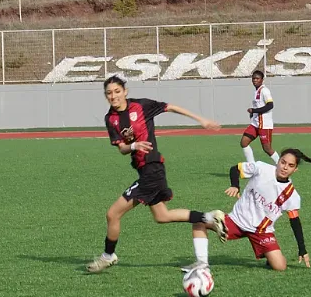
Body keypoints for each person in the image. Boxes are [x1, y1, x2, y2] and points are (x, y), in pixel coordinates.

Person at [86, 75, 221, 273]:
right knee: (162, 216)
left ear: (125, 91)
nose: (113, 96)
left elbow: (170, 107)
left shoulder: (141, 106)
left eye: (117, 91)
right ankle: (209, 217)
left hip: (152, 168)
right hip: (145, 171)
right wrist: (134, 145)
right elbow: (122, 149)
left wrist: (201, 119)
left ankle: (108, 256)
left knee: (113, 214)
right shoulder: (111, 119)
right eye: (109, 93)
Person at [185, 149, 311, 272]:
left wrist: (302, 249)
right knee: (200, 222)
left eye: (290, 165)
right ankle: (202, 263)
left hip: (261, 231)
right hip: (236, 220)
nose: (285, 167)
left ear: (295, 169)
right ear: (278, 161)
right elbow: (235, 169)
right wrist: (235, 185)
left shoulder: (292, 195)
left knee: (280, 267)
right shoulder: (262, 168)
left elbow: (295, 222)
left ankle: (268, 255)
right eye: (283, 162)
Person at [241, 69, 279, 163]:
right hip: (255, 124)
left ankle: (281, 165)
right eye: (253, 78)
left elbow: (270, 105)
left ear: (262, 80)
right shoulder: (257, 91)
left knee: (267, 149)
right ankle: (252, 166)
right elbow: (259, 106)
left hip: (264, 125)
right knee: (244, 142)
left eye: (257, 78)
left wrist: (254, 110)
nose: (255, 80)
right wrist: (253, 113)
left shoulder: (264, 91)